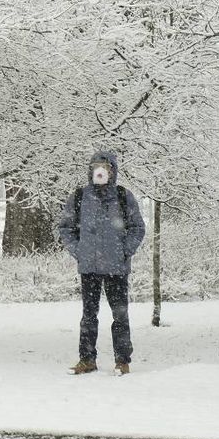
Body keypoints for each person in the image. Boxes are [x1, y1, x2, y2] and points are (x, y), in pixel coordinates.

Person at [58, 151, 146, 375]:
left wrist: (125, 251)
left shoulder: (124, 196)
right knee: (88, 315)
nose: (100, 171)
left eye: (105, 167)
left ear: (112, 171)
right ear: (90, 170)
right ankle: (87, 360)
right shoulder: (79, 196)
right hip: (89, 267)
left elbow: (137, 228)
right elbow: (65, 228)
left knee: (120, 314)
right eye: (96, 166)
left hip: (117, 267)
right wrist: (79, 251)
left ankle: (122, 361)